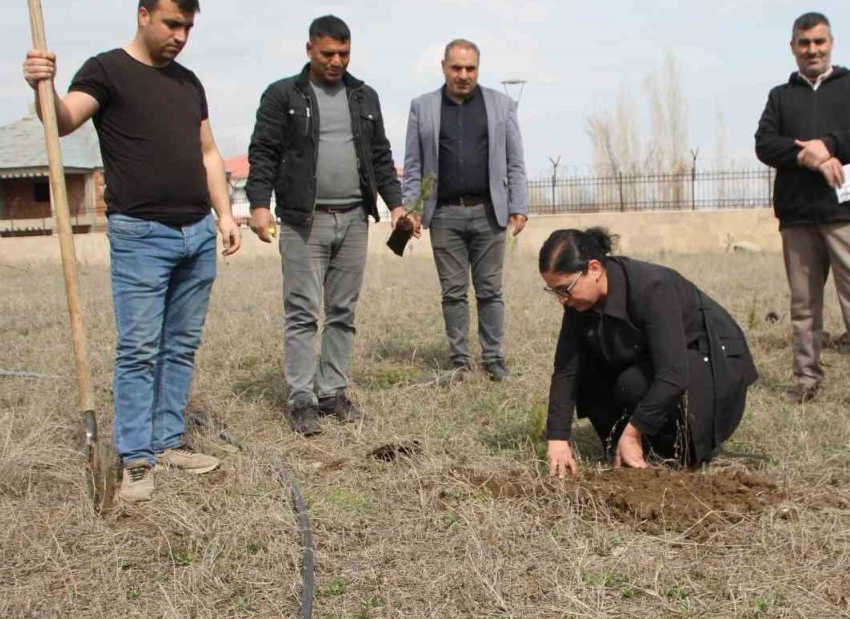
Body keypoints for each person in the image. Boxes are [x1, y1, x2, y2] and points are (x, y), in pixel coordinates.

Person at [22, 0, 240, 503]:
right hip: (142, 235)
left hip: (196, 233)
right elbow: (62, 120)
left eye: (187, 26)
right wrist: (42, 85)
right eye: (171, 23)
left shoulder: (188, 83)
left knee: (180, 347)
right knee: (140, 349)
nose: (180, 35)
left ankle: (167, 443)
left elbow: (208, 151)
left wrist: (225, 215)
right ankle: (136, 459)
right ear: (143, 15)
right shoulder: (107, 71)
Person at [245, 15, 407, 435]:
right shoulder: (283, 95)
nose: (336, 61)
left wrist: (396, 205)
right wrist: (259, 205)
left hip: (354, 219)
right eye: (328, 53)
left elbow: (380, 155)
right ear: (310, 50)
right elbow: (262, 151)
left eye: (344, 54)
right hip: (303, 222)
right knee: (302, 312)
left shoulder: (363, 96)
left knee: (343, 311)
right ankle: (302, 398)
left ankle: (331, 391)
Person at [753, 11, 850, 419]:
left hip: (848, 214)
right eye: (804, 43)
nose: (812, 50)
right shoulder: (780, 97)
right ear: (793, 48)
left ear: (830, 43)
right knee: (804, 305)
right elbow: (765, 144)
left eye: (819, 42)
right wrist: (804, 155)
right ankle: (806, 379)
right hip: (798, 218)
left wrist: (828, 144)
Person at [541, 228, 758, 477]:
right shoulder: (577, 302)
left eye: (564, 288)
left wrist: (634, 432)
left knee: (632, 384)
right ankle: (630, 445)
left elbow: (673, 373)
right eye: (554, 291)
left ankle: (680, 450)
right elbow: (567, 368)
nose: (561, 299)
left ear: (594, 269)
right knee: (590, 373)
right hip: (664, 361)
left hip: (713, 366)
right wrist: (557, 438)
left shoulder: (653, 287)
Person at [403, 39, 528, 382]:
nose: (463, 75)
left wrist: (518, 205)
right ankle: (460, 360)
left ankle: (493, 359)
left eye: (470, 68)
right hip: (443, 215)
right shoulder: (422, 107)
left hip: (489, 213)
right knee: (453, 292)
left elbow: (515, 161)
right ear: (443, 67)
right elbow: (413, 167)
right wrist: (412, 209)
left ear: (478, 69)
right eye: (456, 68)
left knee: (490, 290)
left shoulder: (501, 106)